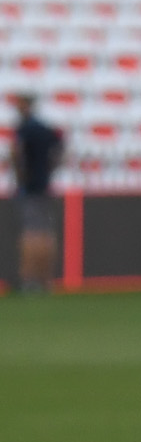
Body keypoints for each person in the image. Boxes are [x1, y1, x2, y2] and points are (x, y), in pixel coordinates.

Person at [8, 90, 63, 294]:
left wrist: (20, 176)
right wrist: (49, 171)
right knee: (47, 232)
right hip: (44, 185)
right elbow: (59, 151)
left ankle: (29, 280)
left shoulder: (24, 129)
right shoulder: (45, 129)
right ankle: (46, 280)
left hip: (30, 188)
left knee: (30, 232)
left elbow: (16, 153)